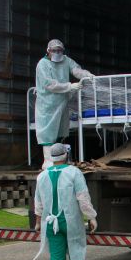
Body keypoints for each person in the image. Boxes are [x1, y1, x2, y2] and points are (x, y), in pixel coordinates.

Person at [32, 143, 98, 260]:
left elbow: (38, 202)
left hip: (50, 223)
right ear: (66, 155)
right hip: (71, 222)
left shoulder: (41, 176)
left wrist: (38, 222)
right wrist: (91, 217)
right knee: (76, 251)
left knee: (55, 256)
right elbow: (83, 198)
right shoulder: (74, 172)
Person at [35, 39, 94, 170]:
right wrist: (70, 86)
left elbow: (76, 70)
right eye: (54, 50)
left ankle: (60, 159)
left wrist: (87, 75)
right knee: (48, 132)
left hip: (62, 102)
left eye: (59, 50)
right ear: (48, 51)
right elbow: (49, 84)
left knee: (60, 130)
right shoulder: (42, 65)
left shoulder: (65, 60)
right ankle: (48, 161)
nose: (57, 53)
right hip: (47, 104)